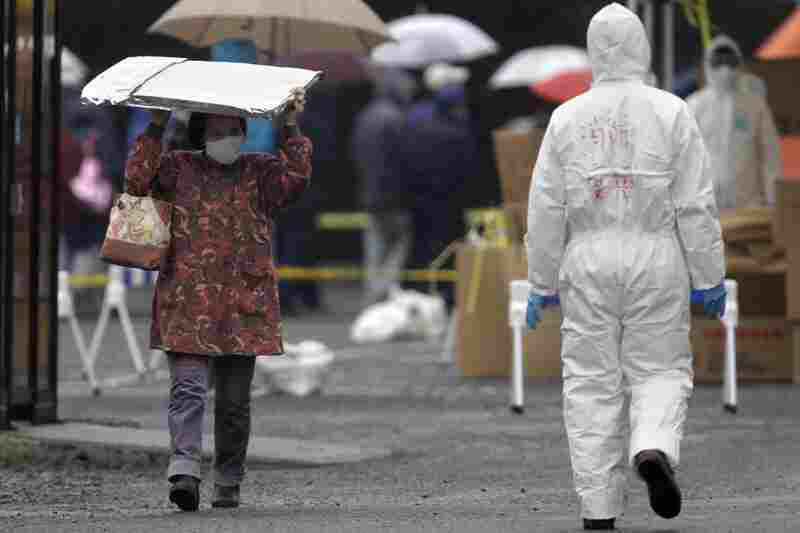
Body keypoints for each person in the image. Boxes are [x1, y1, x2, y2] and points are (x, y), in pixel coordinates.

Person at [524, 4, 726, 530]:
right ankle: (653, 446)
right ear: (642, 48)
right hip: (656, 256)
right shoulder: (671, 111)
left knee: (590, 382)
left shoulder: (566, 117)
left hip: (587, 259)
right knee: (659, 368)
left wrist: (541, 282)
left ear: (593, 52)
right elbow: (695, 204)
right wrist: (708, 276)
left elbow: (545, 206)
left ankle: (598, 512)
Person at [124, 88, 311, 512]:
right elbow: (136, 181)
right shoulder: (176, 168)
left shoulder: (260, 171)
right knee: (187, 389)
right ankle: (184, 470)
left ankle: (228, 476)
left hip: (244, 303)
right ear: (201, 133)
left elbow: (297, 181)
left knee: (233, 403)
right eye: (218, 130)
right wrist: (156, 123)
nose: (228, 137)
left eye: (234, 130)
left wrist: (290, 123)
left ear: (245, 133)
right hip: (186, 300)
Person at [686, 35, 782, 209]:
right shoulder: (694, 105)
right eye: (719, 61)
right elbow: (682, 155)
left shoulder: (755, 106)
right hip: (704, 203)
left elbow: (770, 154)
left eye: (730, 61)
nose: (725, 68)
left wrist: (773, 199)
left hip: (749, 204)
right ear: (708, 64)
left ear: (739, 64)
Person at [351, 67, 417, 306]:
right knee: (398, 245)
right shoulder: (397, 120)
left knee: (375, 247)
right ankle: (384, 294)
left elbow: (356, 155)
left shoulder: (365, 117)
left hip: (369, 193)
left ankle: (372, 295)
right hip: (393, 196)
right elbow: (405, 161)